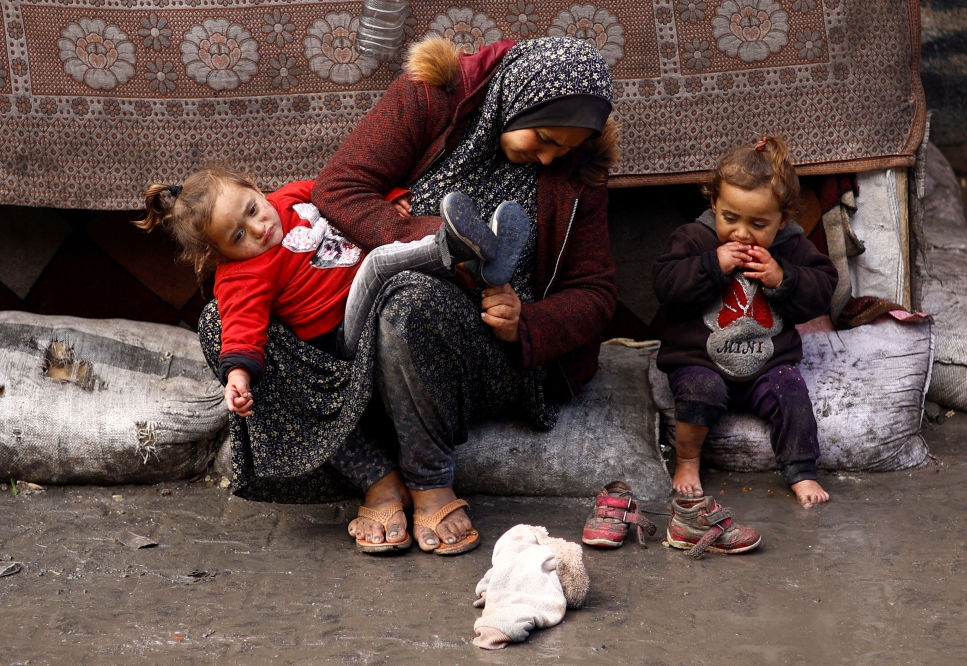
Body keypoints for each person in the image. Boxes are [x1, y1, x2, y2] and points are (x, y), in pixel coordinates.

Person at [302, 35, 619, 554]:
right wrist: (434, 241)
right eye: (542, 137)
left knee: (408, 301)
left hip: (478, 347)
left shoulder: (577, 171)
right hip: (362, 306)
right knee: (226, 325)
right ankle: (376, 475)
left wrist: (528, 323)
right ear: (516, 98)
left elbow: (596, 292)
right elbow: (340, 188)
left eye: (564, 148)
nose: (547, 159)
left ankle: (430, 481)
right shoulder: (431, 99)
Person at [137, 168, 528, 528]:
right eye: (238, 235)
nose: (258, 228)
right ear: (220, 255)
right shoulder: (241, 275)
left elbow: (345, 196)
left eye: (253, 209)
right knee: (376, 266)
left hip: (396, 313)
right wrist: (237, 374)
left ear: (256, 187)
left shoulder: (293, 196)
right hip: (345, 336)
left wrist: (387, 202)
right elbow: (240, 328)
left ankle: (475, 261)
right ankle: (456, 248)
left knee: (395, 276)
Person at [652, 135, 838, 509]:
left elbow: (823, 288)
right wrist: (710, 266)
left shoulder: (792, 248)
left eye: (758, 224)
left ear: (783, 220)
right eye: (730, 218)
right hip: (699, 359)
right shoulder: (694, 239)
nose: (740, 232)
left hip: (768, 362)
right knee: (699, 390)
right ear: (714, 204)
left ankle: (802, 470)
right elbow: (665, 284)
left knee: (792, 393)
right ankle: (687, 461)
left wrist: (783, 278)